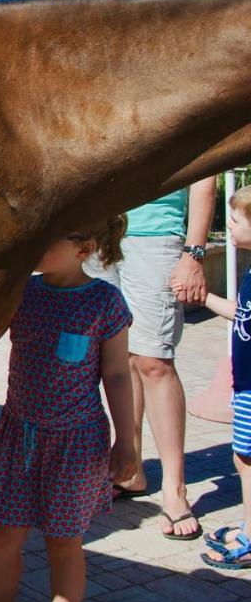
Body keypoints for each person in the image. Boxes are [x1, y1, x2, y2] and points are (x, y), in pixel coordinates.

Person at [0, 220, 136, 602]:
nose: (33, 244)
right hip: (19, 436)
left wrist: (127, 441)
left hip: (77, 443)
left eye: (47, 236)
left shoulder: (105, 303)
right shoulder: (22, 292)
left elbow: (118, 373)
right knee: (0, 533)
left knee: (64, 541)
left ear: (84, 246)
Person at [87, 181, 216, 540]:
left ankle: (175, 490)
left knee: (154, 362)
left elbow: (205, 180)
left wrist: (194, 254)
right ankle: (131, 469)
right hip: (101, 233)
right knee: (118, 357)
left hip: (155, 236)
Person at [200, 185, 251, 570]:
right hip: (245, 384)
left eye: (235, 221)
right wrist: (202, 300)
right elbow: (240, 313)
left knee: (246, 458)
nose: (228, 228)